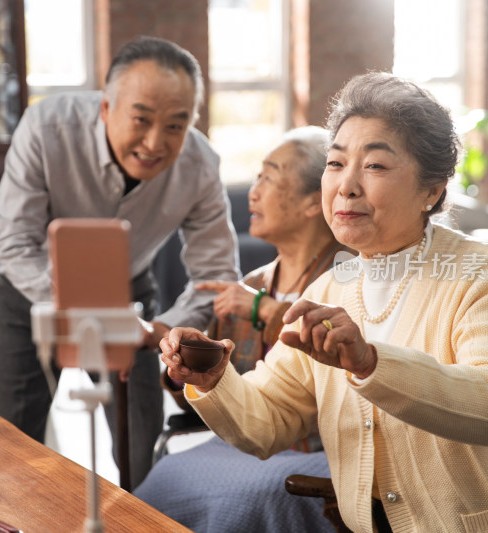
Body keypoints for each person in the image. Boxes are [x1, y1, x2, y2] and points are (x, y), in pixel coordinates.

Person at [160, 72, 488, 532]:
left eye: (376, 166)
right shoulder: (329, 290)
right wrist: (215, 380)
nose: (346, 186)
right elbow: (269, 420)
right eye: (335, 163)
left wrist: (370, 363)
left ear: (433, 190)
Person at [0, 36, 239, 489]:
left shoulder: (200, 165)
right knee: (13, 442)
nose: (154, 142)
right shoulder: (46, 128)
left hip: (128, 293)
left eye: (176, 126)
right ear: (105, 108)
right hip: (28, 291)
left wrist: (165, 330)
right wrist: (85, 310)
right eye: (141, 119)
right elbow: (15, 243)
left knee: (139, 441)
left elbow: (216, 276)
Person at [135, 127, 350, 532]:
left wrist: (264, 310)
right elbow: (209, 402)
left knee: (244, 502)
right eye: (256, 178)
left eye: (269, 178)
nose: (253, 193)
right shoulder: (251, 284)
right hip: (243, 443)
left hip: (316, 452)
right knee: (159, 484)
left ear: (311, 201)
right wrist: (186, 369)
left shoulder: (347, 274)